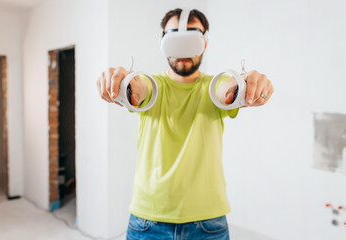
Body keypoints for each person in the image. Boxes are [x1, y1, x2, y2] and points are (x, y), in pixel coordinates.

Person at [96, 8, 274, 240]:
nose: (183, 49)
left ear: (205, 44)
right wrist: (123, 83)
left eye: (193, 36)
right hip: (148, 219)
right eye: (174, 37)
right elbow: (139, 89)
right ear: (163, 42)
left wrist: (244, 86)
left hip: (208, 220)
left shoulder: (214, 85)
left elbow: (225, 90)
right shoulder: (153, 85)